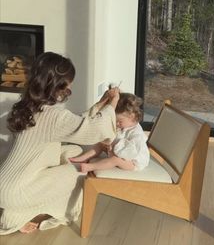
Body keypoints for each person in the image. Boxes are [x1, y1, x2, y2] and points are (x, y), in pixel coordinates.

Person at [0, 52, 120, 235]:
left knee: (72, 150)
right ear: (59, 84)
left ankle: (16, 212)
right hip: (16, 192)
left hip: (5, 182)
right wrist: (112, 105)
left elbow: (75, 124)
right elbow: (91, 130)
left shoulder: (27, 105)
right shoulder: (54, 117)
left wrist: (100, 104)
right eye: (70, 81)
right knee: (80, 169)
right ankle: (14, 217)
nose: (71, 85)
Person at [69, 93, 150, 173]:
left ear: (131, 117)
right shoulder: (124, 125)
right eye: (115, 120)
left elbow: (130, 153)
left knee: (115, 160)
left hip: (133, 162)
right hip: (118, 151)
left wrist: (114, 147)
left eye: (119, 121)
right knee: (101, 144)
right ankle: (84, 157)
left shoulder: (137, 135)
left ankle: (90, 167)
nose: (116, 123)